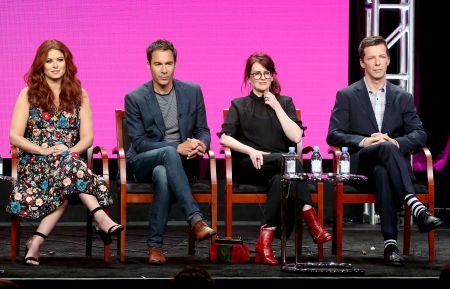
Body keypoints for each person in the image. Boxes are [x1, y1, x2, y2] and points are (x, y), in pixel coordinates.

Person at [327, 36, 443, 266]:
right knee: (382, 151)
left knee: (384, 165)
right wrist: (364, 141)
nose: (377, 63)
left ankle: (390, 245)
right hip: (361, 167)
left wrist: (396, 142)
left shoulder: (403, 97)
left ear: (389, 60)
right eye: (371, 58)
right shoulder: (347, 95)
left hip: (388, 171)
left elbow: (420, 134)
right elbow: (333, 134)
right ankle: (415, 206)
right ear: (363, 63)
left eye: (382, 57)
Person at [6, 39, 123, 266]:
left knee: (66, 176)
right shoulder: (28, 94)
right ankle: (100, 216)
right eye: (49, 61)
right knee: (68, 175)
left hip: (67, 163)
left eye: (59, 60)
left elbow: (88, 138)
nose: (55, 65)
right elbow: (14, 137)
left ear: (67, 63)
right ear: (41, 65)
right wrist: (44, 149)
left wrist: (67, 151)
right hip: (35, 162)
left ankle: (35, 243)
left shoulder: (80, 94)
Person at [218, 52, 332, 265]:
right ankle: (310, 216)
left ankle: (264, 244)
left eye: (266, 73)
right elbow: (225, 137)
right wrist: (251, 151)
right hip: (250, 166)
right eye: (256, 74)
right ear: (249, 78)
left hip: (280, 170)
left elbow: (296, 136)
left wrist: (276, 106)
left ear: (272, 76)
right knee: (290, 163)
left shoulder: (285, 102)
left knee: (284, 177)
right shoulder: (239, 104)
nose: (261, 77)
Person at [125, 39, 216, 265]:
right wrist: (176, 147)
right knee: (167, 153)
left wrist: (201, 145)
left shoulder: (192, 91)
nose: (164, 70)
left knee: (164, 175)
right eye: (158, 64)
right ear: (149, 65)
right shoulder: (135, 98)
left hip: (180, 166)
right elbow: (139, 143)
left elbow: (203, 130)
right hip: (142, 163)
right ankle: (195, 219)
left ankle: (155, 247)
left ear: (175, 64)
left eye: (169, 63)